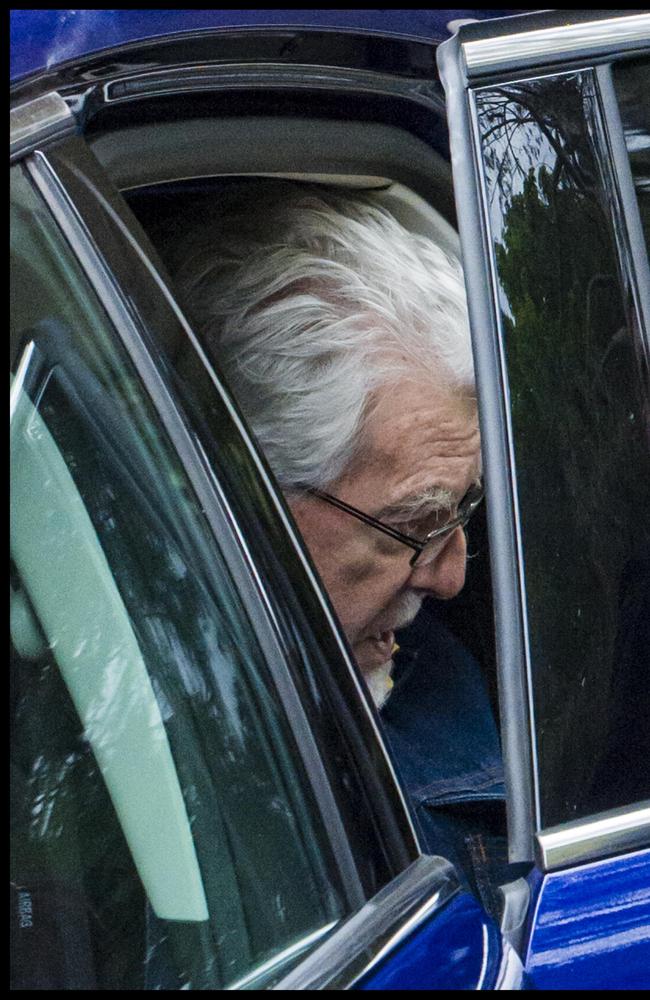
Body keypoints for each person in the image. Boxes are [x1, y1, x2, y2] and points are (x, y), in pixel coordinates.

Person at [173, 182, 508, 904]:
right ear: (247, 499)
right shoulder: (128, 739)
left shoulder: (440, 683)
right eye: (414, 525)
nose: (451, 577)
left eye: (465, 508)